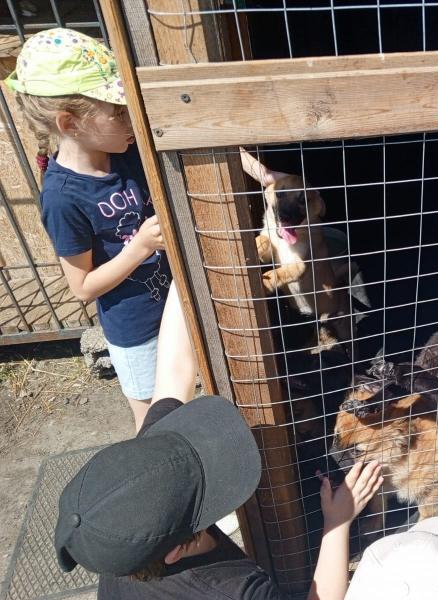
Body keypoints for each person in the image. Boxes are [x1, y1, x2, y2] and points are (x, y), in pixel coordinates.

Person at [5, 28, 176, 430]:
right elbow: (82, 287)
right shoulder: (63, 197)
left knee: (186, 401)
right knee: (154, 421)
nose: (129, 118)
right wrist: (139, 247)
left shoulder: (126, 152)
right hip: (135, 330)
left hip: (175, 305)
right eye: (117, 111)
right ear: (70, 122)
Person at [54, 394, 384, 599]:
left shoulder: (124, 529)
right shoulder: (229, 590)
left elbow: (171, 375)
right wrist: (338, 522)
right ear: (172, 554)